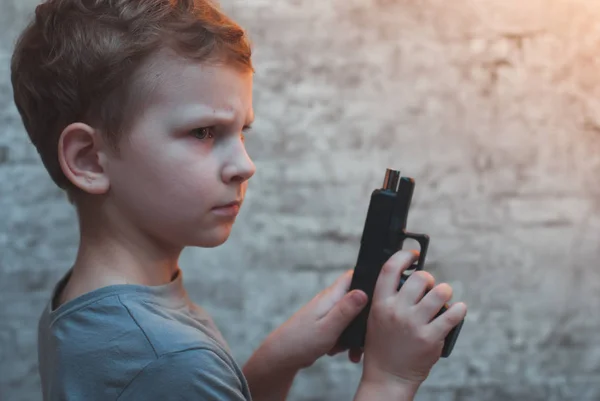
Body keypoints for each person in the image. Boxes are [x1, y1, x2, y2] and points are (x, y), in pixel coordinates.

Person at [10, 1, 468, 400]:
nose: (245, 165)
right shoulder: (166, 361)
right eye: (204, 132)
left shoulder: (85, 310)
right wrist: (389, 379)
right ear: (90, 159)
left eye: (241, 131)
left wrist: (276, 361)